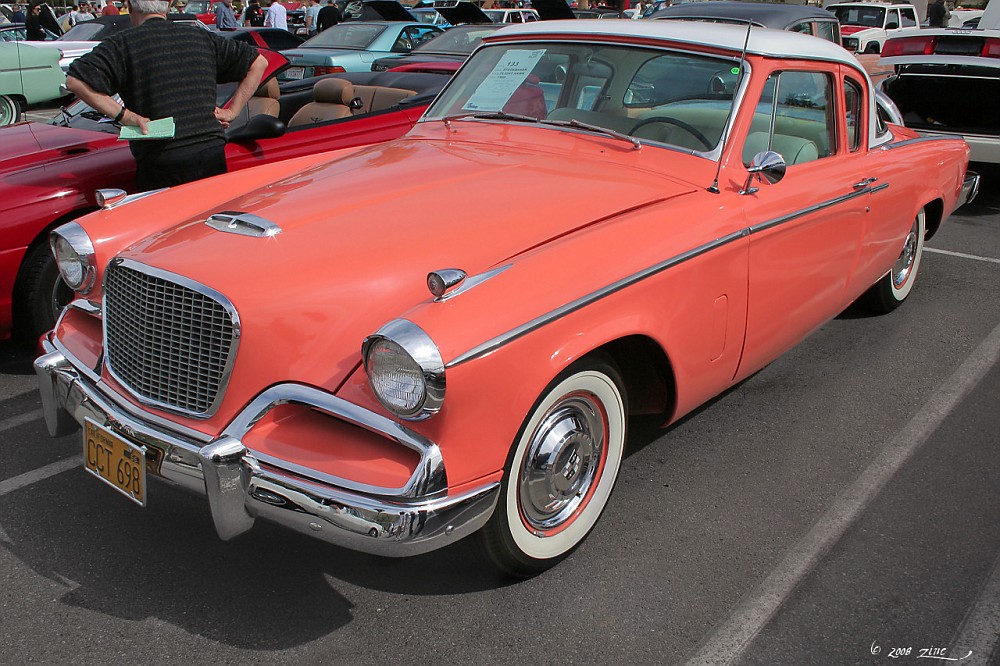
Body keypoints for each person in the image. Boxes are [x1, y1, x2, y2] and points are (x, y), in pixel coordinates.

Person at [65, 0, 268, 192]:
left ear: (129, 6)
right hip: (210, 152)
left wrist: (125, 117)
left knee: (169, 226)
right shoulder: (200, 37)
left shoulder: (122, 44)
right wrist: (233, 111)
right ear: (169, 5)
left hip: (161, 158)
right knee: (208, 225)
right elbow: (259, 63)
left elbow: (76, 81)